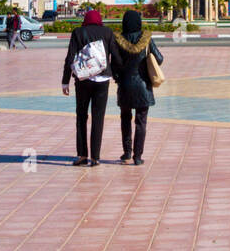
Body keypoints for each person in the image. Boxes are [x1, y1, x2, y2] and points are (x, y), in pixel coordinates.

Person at [62, 9, 116, 166]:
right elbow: (115, 55)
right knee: (98, 118)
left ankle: (82, 155)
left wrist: (65, 81)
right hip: (102, 80)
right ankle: (95, 157)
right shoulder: (107, 32)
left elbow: (70, 57)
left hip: (83, 79)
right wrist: (117, 76)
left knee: (81, 116)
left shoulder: (78, 32)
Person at [112, 10, 164, 165]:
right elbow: (159, 59)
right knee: (141, 122)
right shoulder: (146, 39)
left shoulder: (118, 40)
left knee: (125, 120)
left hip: (125, 86)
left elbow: (114, 65)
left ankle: (127, 153)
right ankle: (138, 156)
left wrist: (118, 79)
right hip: (143, 87)